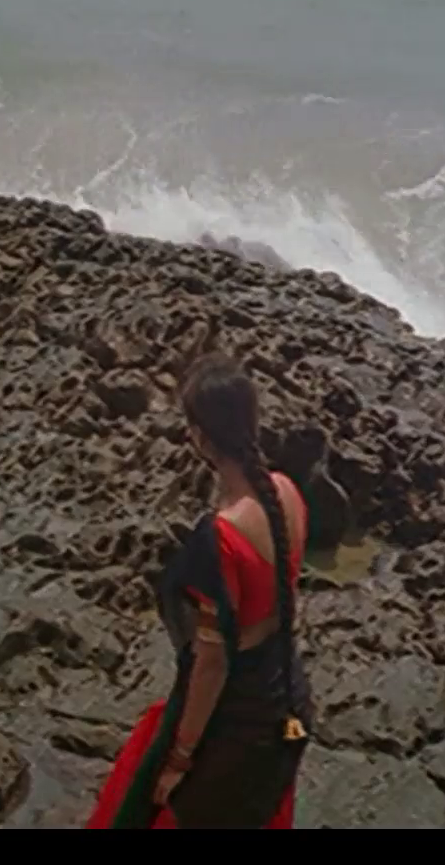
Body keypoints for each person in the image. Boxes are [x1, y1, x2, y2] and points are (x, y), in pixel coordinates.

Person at [85, 352, 314, 828]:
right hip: (285, 697)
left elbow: (213, 662)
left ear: (200, 437)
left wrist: (180, 758)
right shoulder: (287, 492)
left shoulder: (222, 538)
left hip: (236, 718)